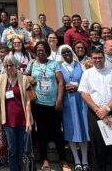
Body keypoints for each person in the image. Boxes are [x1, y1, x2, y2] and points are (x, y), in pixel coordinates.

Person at [79, 48, 112, 171]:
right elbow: (84, 94)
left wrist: (106, 108)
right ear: (91, 59)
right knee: (98, 148)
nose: (97, 60)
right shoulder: (87, 73)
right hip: (95, 113)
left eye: (100, 57)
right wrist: (98, 110)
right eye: (95, 58)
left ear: (104, 58)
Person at [25, 41, 71, 171]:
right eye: (38, 50)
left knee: (57, 132)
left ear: (47, 51)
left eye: (43, 49)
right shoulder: (32, 63)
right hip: (38, 104)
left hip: (53, 104)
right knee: (42, 133)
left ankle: (63, 160)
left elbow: (61, 82)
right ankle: (45, 160)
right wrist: (29, 78)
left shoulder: (54, 64)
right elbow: (24, 76)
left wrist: (59, 100)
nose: (40, 52)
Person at [0, 55, 33, 171]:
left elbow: (28, 101)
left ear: (16, 65)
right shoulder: (1, 79)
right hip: (8, 120)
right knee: (12, 149)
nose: (9, 67)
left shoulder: (23, 79)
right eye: (6, 65)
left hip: (22, 119)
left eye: (11, 65)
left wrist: (28, 120)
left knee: (22, 149)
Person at [57, 45, 89, 171]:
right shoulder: (59, 68)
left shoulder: (81, 66)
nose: (66, 54)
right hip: (67, 103)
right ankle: (76, 160)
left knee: (83, 128)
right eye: (63, 52)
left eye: (68, 52)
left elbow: (87, 82)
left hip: (81, 101)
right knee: (71, 129)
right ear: (61, 54)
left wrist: (77, 88)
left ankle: (85, 160)